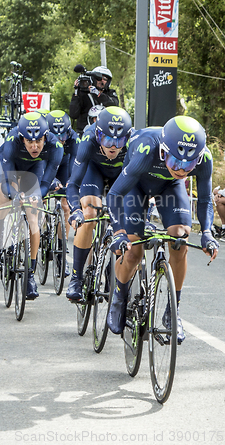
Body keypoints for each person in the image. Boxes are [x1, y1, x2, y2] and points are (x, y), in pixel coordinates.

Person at [106, 116, 219, 343]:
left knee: (180, 238)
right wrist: (118, 232)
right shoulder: (147, 149)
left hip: (170, 188)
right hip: (136, 187)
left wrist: (207, 232)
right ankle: (119, 296)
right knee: (133, 252)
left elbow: (206, 198)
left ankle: (173, 311)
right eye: (176, 161)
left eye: (189, 165)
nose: (181, 169)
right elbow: (114, 194)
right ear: (163, 151)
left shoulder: (204, 157)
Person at [0, 112, 64, 300]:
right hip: (12, 167)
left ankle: (30, 273)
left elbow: (46, 184)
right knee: (6, 197)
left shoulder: (55, 146)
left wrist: (35, 197)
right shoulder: (10, 143)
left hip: (34, 168)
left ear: (45, 136)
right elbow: (7, 183)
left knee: (33, 216)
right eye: (29, 142)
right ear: (21, 138)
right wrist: (16, 195)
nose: (34, 146)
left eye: (39, 141)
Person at [66, 106, 132, 301]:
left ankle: (115, 272)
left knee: (127, 218)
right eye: (107, 139)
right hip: (93, 171)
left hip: (120, 175)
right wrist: (75, 209)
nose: (113, 146)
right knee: (89, 212)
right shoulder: (88, 140)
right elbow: (73, 184)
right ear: (97, 133)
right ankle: (76, 277)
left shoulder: (135, 143)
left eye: (120, 140)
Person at [45, 110, 80, 277]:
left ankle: (61, 252)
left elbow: (75, 162)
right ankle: (40, 229)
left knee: (66, 206)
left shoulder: (74, 139)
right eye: (56, 136)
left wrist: (71, 182)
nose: (61, 139)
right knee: (40, 200)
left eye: (64, 135)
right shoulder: (41, 138)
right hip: (46, 166)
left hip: (64, 167)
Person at [69, 65, 119, 136]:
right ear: (93, 79)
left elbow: (115, 105)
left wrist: (98, 94)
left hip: (106, 134)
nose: (101, 80)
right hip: (84, 133)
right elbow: (73, 114)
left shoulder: (110, 93)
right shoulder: (83, 93)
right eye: (98, 78)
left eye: (104, 79)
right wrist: (76, 93)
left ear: (108, 82)